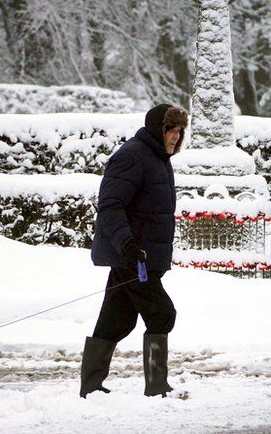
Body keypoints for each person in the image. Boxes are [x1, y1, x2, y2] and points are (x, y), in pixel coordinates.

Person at [80, 103, 188, 398]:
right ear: (158, 129)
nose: (176, 136)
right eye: (171, 129)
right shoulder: (132, 156)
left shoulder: (158, 159)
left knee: (116, 320)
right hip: (133, 257)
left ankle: (90, 388)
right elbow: (111, 206)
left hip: (142, 258)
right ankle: (157, 387)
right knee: (162, 313)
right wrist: (127, 245)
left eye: (180, 130)